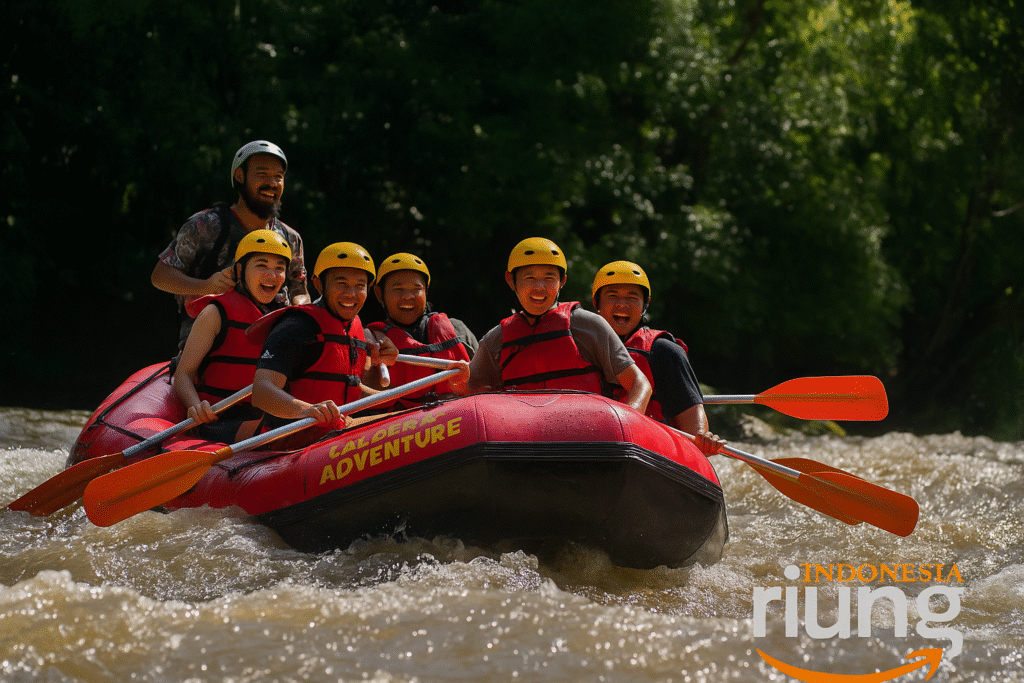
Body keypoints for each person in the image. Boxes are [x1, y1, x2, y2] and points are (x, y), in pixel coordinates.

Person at [152, 140, 309, 347]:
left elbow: (300, 293)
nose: (272, 182)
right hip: (208, 349)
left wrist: (299, 313)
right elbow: (160, 276)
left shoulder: (290, 238)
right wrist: (206, 287)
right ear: (239, 176)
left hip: (270, 353)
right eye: (262, 174)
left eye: (278, 176)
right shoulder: (205, 225)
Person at [466, 237, 651, 413]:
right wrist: (459, 384)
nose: (540, 287)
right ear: (510, 281)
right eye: (529, 277)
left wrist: (627, 422)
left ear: (562, 281)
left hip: (587, 440)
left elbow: (640, 384)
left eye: (549, 278)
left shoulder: (587, 325)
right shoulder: (496, 339)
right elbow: (470, 391)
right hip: (524, 442)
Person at [246, 242, 399, 440]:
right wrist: (306, 410)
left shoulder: (355, 328)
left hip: (339, 431)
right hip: (291, 442)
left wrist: (398, 399)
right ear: (318, 284)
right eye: (341, 284)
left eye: (359, 286)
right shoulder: (297, 325)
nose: (351, 294)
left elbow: (348, 387)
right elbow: (261, 392)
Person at [592, 260, 724, 455]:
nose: (622, 303)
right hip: (593, 448)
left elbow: (694, 429)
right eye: (612, 295)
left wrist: (703, 441)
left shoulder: (665, 352)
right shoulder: (580, 348)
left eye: (632, 297)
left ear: (645, 305)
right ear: (597, 303)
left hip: (650, 453)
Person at [172, 229, 292, 442]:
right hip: (221, 421)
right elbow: (183, 374)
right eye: (261, 265)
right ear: (240, 269)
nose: (272, 276)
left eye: (279, 268)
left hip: (265, 418)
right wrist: (195, 406)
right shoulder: (215, 313)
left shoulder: (286, 319)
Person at [365, 253, 475, 410]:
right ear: (379, 293)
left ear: (426, 290)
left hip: (455, 419)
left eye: (417, 289)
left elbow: (484, 381)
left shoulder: (457, 329)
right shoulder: (374, 339)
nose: (408, 296)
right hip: (401, 427)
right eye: (398, 289)